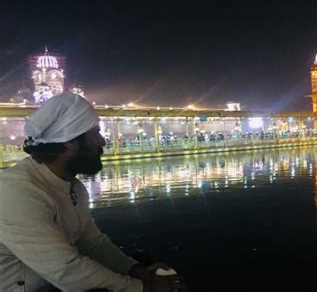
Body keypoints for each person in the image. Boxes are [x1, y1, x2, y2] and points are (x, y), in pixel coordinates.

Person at [0, 93, 186, 291]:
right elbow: (67, 270)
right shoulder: (17, 193)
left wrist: (137, 270)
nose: (102, 142)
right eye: (95, 133)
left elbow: (93, 243)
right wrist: (144, 288)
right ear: (71, 142)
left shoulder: (73, 186)